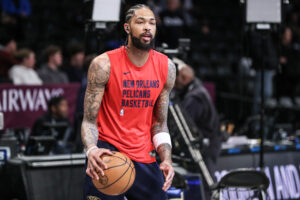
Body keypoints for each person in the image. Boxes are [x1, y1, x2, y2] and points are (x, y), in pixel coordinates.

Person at [81, 4, 176, 200]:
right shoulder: (103, 64)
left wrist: (166, 159)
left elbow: (159, 124)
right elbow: (89, 121)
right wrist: (91, 149)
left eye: (152, 23)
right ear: (127, 28)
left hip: (144, 154)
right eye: (140, 22)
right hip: (107, 153)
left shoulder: (166, 67)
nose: (147, 27)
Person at [173, 61, 222, 199]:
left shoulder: (194, 98)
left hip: (204, 147)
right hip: (209, 142)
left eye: (175, 78)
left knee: (207, 184)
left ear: (183, 78)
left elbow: (184, 127)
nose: (173, 83)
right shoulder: (197, 88)